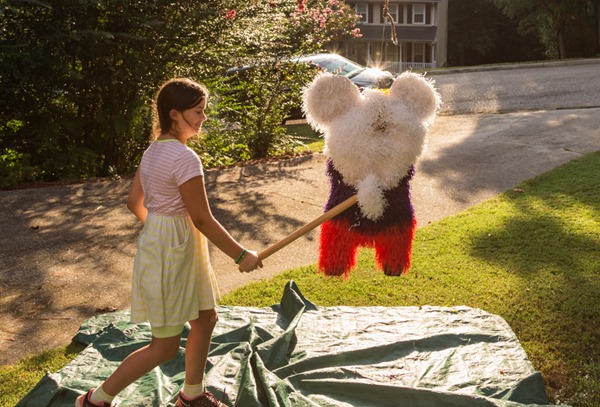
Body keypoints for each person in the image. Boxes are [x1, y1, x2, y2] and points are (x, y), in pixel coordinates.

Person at [76, 78, 263, 407]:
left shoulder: (152, 151)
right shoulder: (185, 158)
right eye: (198, 112)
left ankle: (190, 395)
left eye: (204, 111)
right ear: (174, 114)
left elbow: (134, 202)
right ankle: (95, 400)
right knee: (163, 346)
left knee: (205, 319)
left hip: (165, 244)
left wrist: (160, 230)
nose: (203, 118)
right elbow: (202, 218)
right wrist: (240, 254)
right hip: (173, 250)